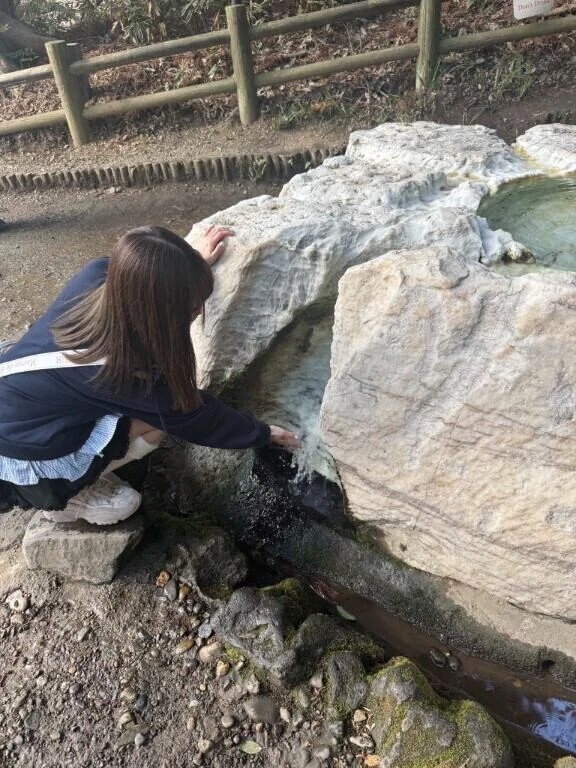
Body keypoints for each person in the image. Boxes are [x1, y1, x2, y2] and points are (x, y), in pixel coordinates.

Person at [0, 225, 299, 525]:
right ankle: (68, 498)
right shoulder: (125, 374)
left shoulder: (98, 275)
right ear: (158, 313)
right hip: (24, 453)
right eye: (191, 307)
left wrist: (186, 267)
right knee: (153, 428)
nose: (198, 311)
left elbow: (143, 275)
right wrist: (263, 433)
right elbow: (195, 416)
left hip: (19, 401)